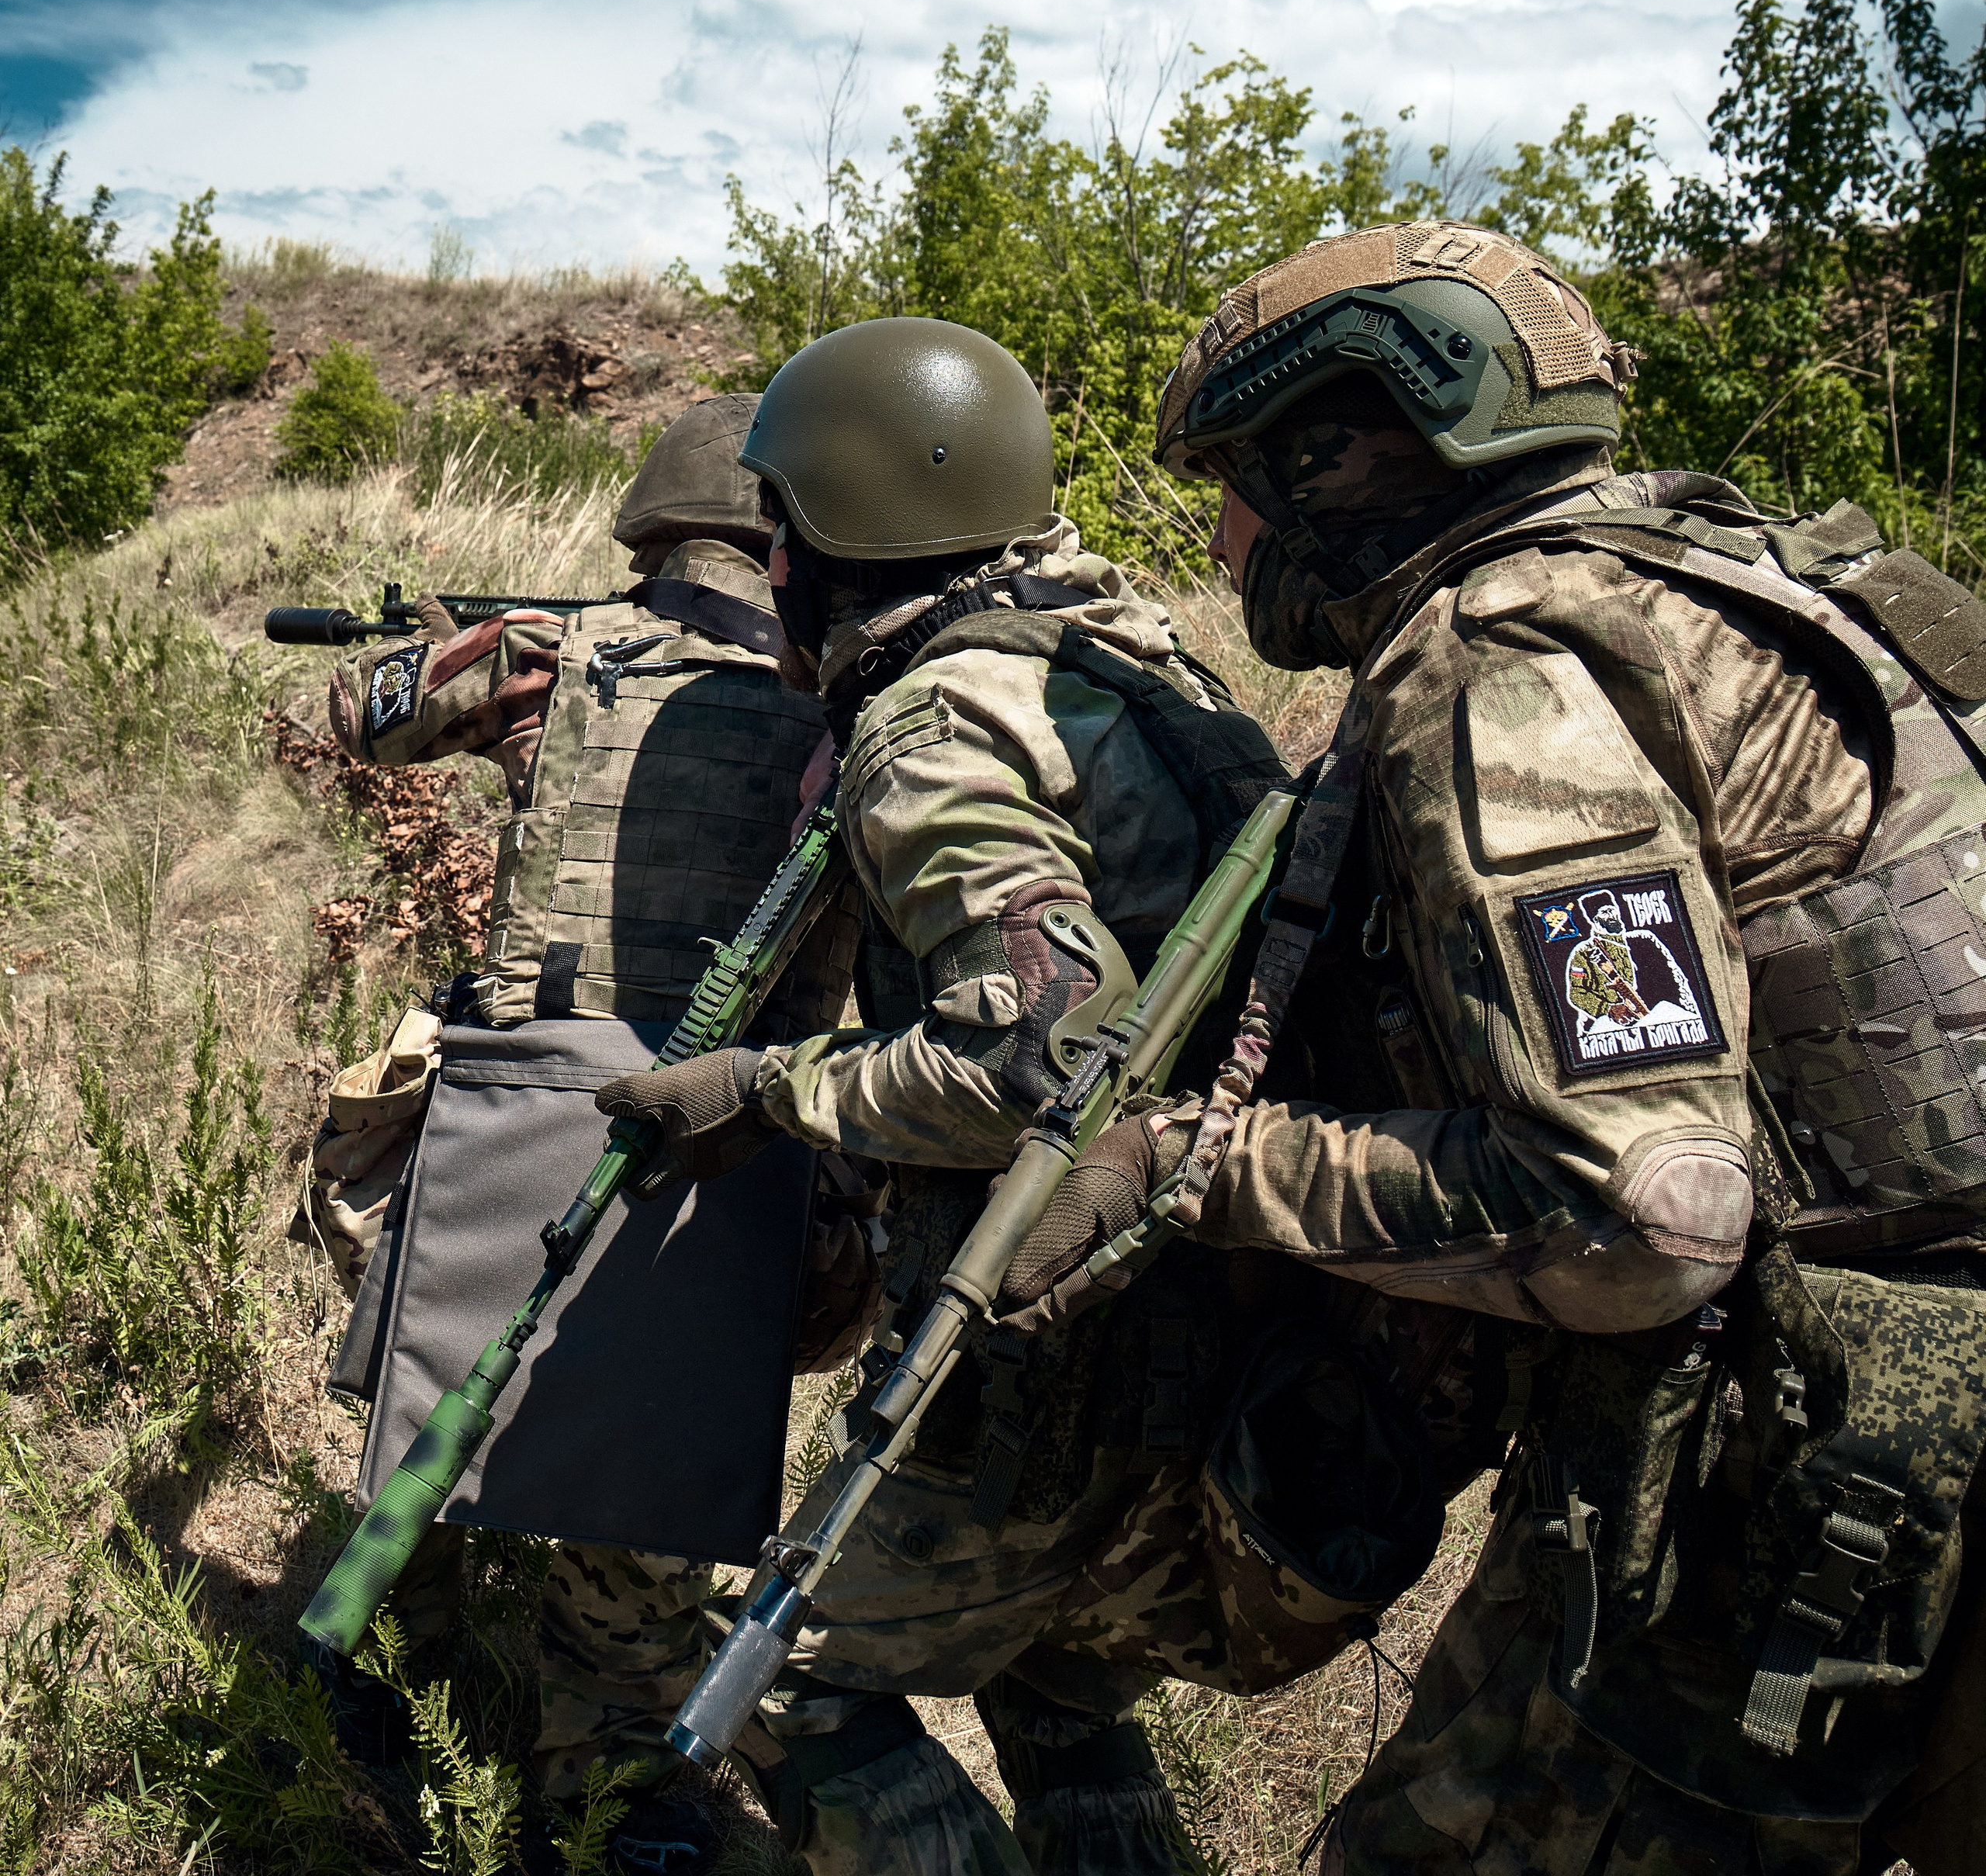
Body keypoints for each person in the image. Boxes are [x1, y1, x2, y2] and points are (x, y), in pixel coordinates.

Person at [1031, 219, 1986, 1874]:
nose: (1226, 534)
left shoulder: (1508, 659)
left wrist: (1193, 1161)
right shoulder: (1779, 580)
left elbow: (1642, 1209)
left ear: (1348, 454)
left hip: (1851, 1445)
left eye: (1239, 480)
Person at [596, 319, 1514, 1874]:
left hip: (1055, 1338)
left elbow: (1031, 1060)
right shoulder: (1124, 653)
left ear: (841, 529)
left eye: (782, 529)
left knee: (781, 1682)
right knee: (1059, 1672)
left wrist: (765, 1088)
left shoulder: (935, 722)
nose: (770, 564)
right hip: (1226, 1301)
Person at [304, 394, 871, 1866]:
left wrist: (454, 641)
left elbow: (349, 716)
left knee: (437, 1408)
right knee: (656, 1485)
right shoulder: (862, 698)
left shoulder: (552, 655)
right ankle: (603, 1779)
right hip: (738, 1129)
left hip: (518, 1108)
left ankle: (393, 1674)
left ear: (649, 533)